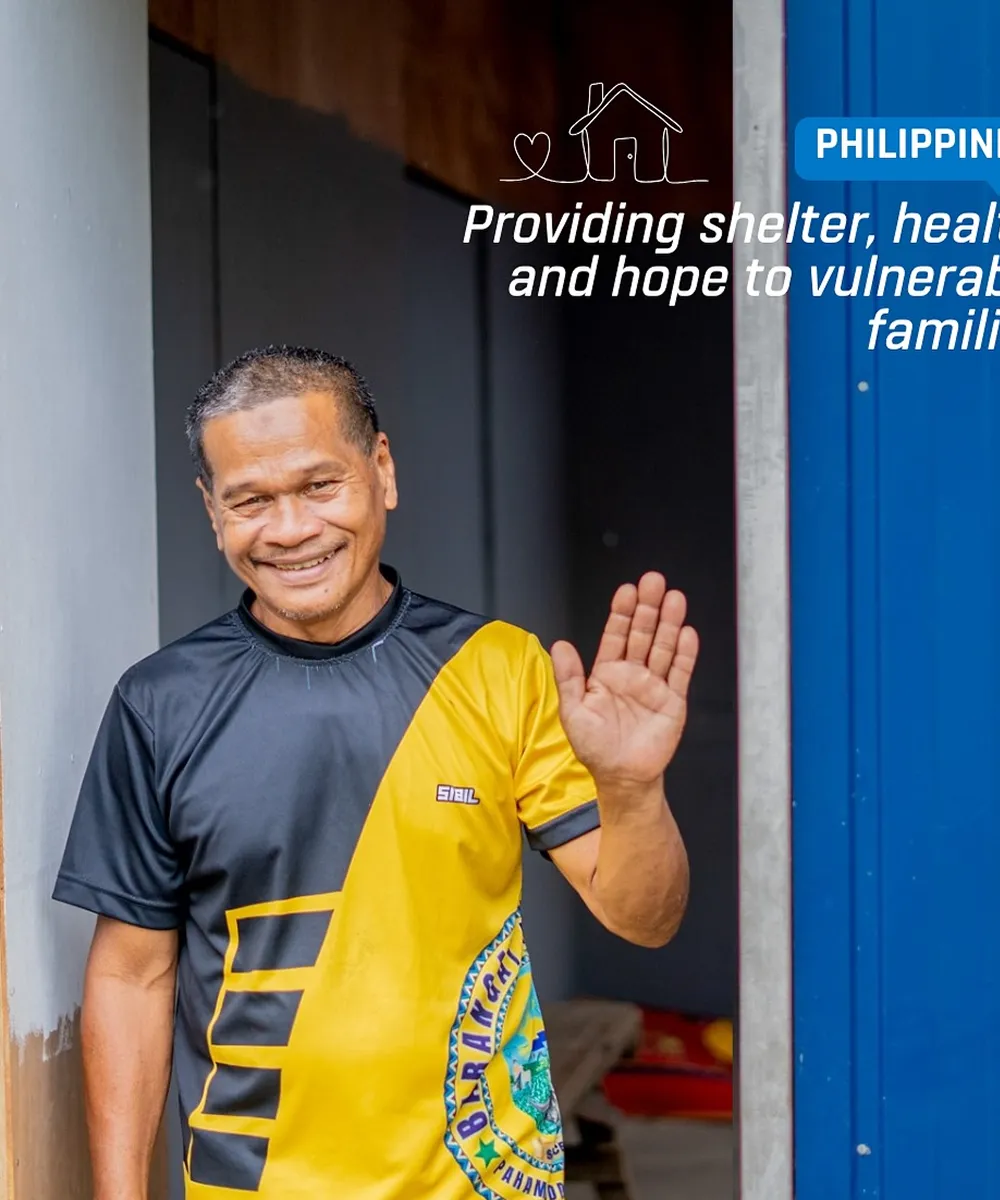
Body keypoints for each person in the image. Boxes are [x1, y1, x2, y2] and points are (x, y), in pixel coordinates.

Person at [53, 345, 696, 1200]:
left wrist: (632, 790)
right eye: (251, 500)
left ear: (381, 470)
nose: (290, 530)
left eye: (320, 485)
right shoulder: (159, 706)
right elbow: (130, 975)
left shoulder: (498, 668)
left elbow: (643, 917)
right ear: (213, 512)